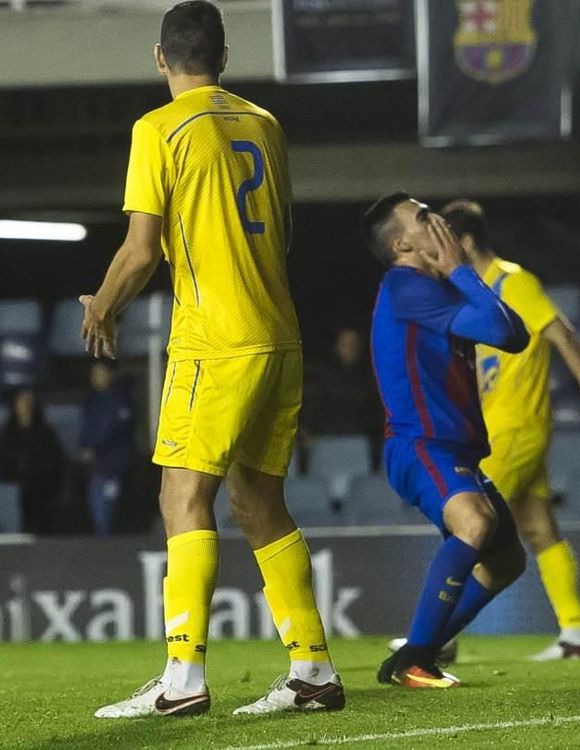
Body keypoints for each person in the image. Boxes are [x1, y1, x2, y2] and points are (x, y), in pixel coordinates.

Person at [85, 1, 342, 718]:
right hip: (279, 332)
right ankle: (313, 671)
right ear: (223, 57)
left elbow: (140, 250)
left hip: (215, 340)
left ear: (159, 57)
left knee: (180, 496)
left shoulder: (157, 128)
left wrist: (102, 305)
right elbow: (279, 232)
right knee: (259, 501)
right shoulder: (265, 123)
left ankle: (184, 677)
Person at [442, 198, 580, 660]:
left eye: (444, 241)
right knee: (541, 531)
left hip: (515, 427)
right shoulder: (471, 294)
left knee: (468, 526)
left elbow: (561, 332)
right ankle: (576, 634)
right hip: (497, 428)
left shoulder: (512, 282)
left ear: (465, 241)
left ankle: (437, 636)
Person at [365, 192, 530, 688]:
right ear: (401, 244)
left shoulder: (431, 289)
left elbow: (515, 334)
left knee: (505, 561)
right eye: (422, 218)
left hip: (451, 447)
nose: (436, 220)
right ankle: (416, 660)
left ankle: (415, 654)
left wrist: (458, 273)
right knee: (475, 523)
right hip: (422, 444)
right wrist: (460, 269)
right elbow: (504, 331)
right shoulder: (405, 285)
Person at [301, 327, 385, 469]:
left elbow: (376, 414)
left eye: (354, 344)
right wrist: (308, 431)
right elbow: (314, 408)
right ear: (337, 347)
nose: (349, 348)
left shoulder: (370, 379)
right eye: (345, 344)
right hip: (326, 441)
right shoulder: (324, 378)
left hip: (359, 442)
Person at [80, 361, 136, 536]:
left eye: (101, 372)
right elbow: (87, 430)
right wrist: (86, 447)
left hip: (115, 467)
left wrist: (93, 446)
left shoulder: (121, 401)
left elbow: (113, 429)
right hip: (96, 469)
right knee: (99, 517)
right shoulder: (91, 401)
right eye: (94, 373)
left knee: (111, 516)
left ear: (110, 374)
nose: (96, 377)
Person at [0, 389, 64, 534]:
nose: (25, 406)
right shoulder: (7, 433)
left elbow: (53, 458)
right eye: (21, 402)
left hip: (40, 484)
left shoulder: (45, 431)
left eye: (28, 402)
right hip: (13, 484)